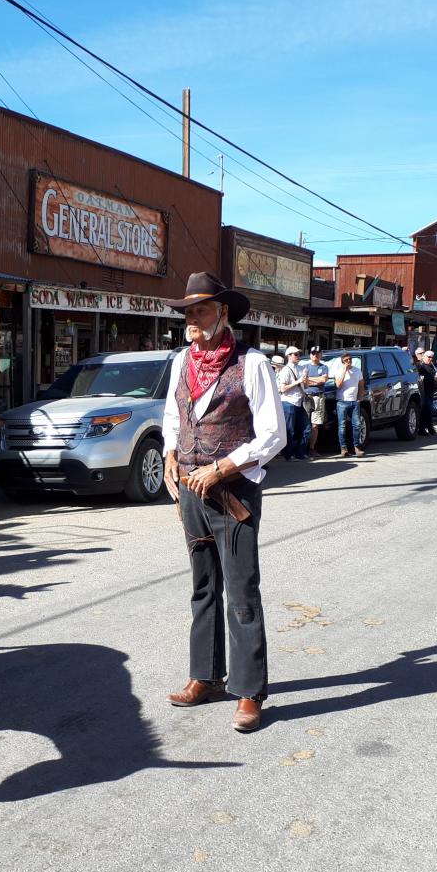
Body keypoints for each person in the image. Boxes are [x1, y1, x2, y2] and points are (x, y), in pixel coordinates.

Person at [160, 272, 286, 734]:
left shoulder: (252, 363)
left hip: (232, 491)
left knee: (242, 591)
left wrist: (222, 468)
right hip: (190, 490)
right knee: (203, 587)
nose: (192, 320)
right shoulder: (181, 362)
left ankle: (250, 691)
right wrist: (171, 454)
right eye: (188, 312)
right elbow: (173, 414)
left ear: (223, 313)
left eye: (201, 311)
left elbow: (273, 434)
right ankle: (206, 676)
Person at [275, 346, 307, 460]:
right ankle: (288, 454)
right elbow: (282, 388)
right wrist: (298, 382)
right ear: (289, 356)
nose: (298, 356)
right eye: (296, 354)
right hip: (288, 402)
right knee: (290, 430)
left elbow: (304, 384)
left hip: (299, 402)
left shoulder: (301, 368)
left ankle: (299, 453)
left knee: (300, 428)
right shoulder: (286, 370)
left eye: (299, 354)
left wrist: (304, 382)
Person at [333, 351, 366, 456]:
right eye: (346, 360)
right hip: (342, 401)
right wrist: (344, 371)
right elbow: (338, 385)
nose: (349, 361)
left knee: (356, 425)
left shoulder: (357, 371)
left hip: (354, 402)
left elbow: (361, 385)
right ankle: (343, 448)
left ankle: (356, 447)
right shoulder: (338, 371)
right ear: (342, 362)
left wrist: (360, 398)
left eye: (350, 359)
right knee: (342, 426)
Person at [301, 346, 329, 458]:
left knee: (315, 425)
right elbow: (303, 381)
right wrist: (316, 381)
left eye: (317, 353)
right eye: (313, 353)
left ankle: (311, 448)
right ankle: (303, 448)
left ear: (321, 354)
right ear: (310, 355)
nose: (315, 355)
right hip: (307, 397)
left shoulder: (324, 367)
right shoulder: (305, 367)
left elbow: (323, 380)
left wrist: (310, 380)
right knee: (304, 423)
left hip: (319, 397)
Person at [416, 350, 437, 435]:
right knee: (425, 410)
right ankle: (423, 429)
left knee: (428, 411)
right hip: (423, 392)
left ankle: (429, 428)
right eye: (428, 357)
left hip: (431, 391)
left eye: (431, 357)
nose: (430, 359)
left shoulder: (433, 366)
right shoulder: (421, 366)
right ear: (424, 357)